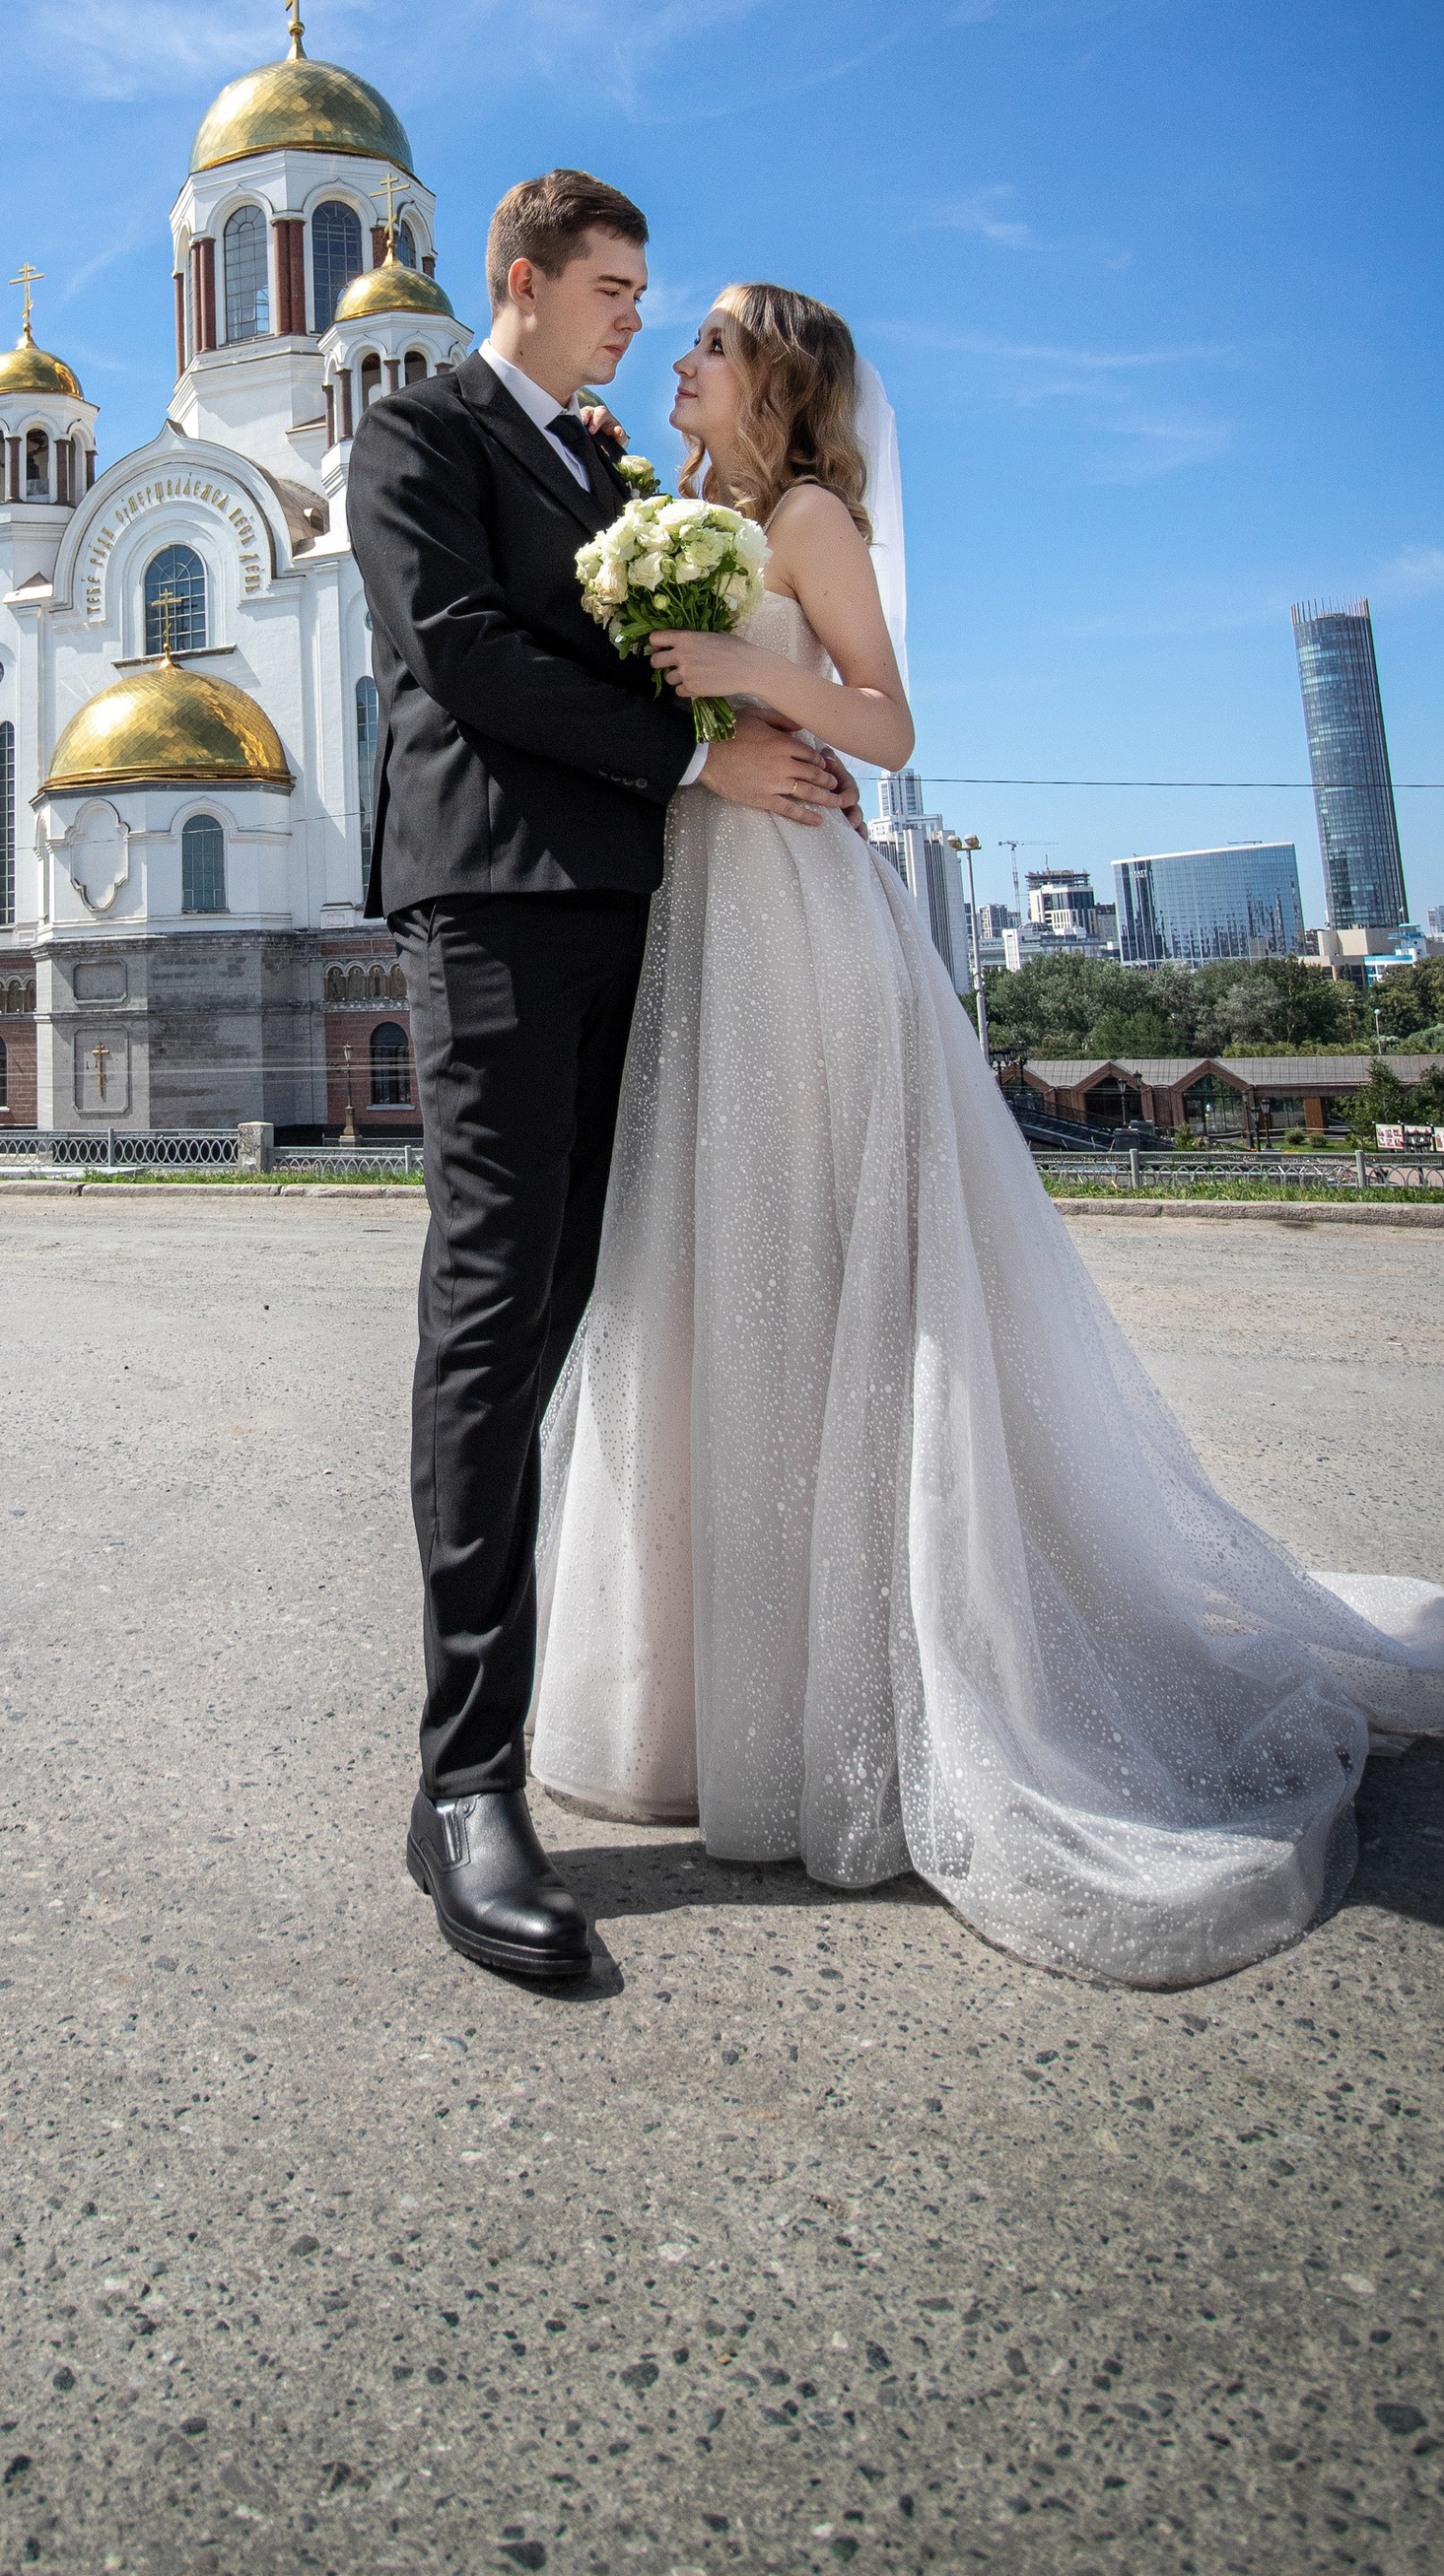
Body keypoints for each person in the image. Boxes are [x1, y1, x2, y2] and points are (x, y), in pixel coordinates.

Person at [528, 281, 1444, 1989]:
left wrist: (740, 674)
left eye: (707, 341)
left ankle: (872, 1694)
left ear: (773, 377)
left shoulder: (806, 517)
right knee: (710, 1266)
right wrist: (699, 712)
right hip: (702, 909)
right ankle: (704, 1699)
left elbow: (887, 720)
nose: (677, 357)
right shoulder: (672, 515)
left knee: (817, 1258)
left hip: (800, 919)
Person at [346, 173, 863, 1988]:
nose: (637, 319)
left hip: (639, 912)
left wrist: (765, 736)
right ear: (524, 278)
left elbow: (673, 659)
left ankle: (584, 1703)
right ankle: (464, 1785)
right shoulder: (416, 432)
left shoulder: (614, 475)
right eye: (614, 289)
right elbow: (463, 653)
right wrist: (698, 761)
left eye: (649, 296)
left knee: (581, 1305)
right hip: (492, 906)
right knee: (494, 1318)